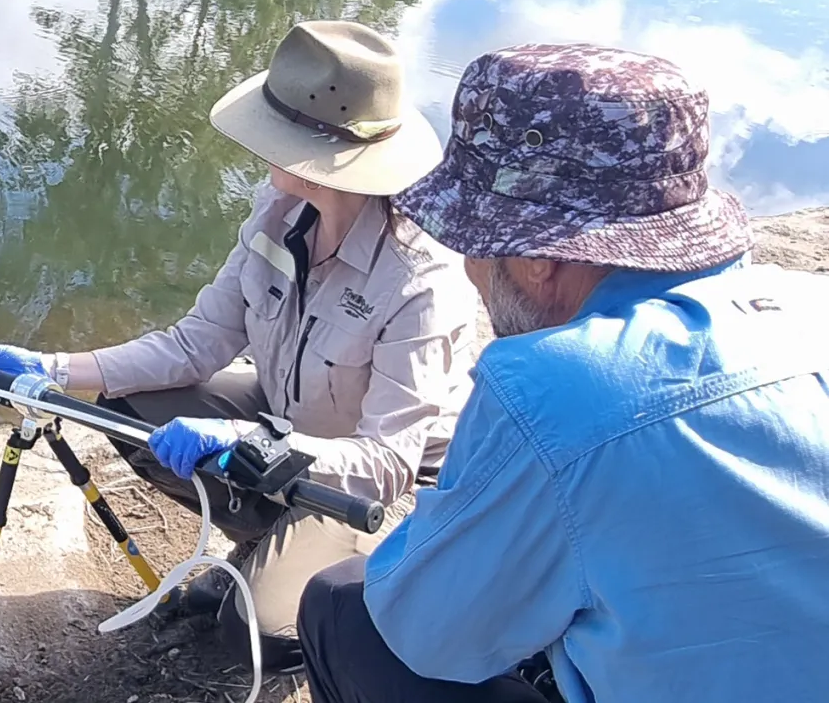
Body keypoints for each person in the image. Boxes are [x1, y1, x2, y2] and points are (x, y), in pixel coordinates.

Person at [295, 42, 829, 703]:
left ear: (538, 259)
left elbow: (425, 633)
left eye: (474, 243)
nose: (470, 268)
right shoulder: (813, 307)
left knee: (344, 610)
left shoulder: (550, 389)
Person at [0, 20, 482, 670]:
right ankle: (271, 540)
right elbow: (197, 342)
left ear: (312, 155)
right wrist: (57, 370)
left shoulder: (421, 281)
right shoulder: (278, 209)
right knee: (119, 407)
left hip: (373, 487)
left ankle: (344, 577)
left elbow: (384, 462)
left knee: (259, 634)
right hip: (288, 419)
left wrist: (257, 446)